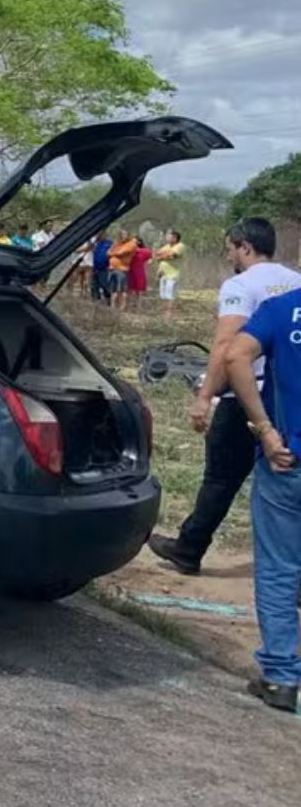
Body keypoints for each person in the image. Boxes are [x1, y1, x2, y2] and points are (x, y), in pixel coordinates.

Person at [150, 218, 301, 575]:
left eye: (230, 247)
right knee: (287, 476)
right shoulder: (295, 281)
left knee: (221, 476)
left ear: (244, 247)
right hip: (287, 393)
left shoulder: (240, 285)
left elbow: (226, 344)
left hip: (247, 393)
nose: (229, 254)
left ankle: (189, 548)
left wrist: (204, 396)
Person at [222, 286, 301, 712]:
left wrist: (264, 429)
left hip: (288, 460)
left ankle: (281, 678)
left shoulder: (282, 309)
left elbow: (235, 356)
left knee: (278, 568)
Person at [155, 229, 187, 316]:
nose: (167, 237)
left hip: (173, 274)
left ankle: (169, 313)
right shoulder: (166, 246)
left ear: (175, 237)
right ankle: (163, 312)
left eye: (169, 236)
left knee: (170, 294)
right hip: (163, 274)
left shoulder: (180, 246)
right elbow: (157, 255)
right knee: (163, 295)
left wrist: (163, 255)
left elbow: (172, 255)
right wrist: (163, 255)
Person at [106, 228, 137, 310]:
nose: (123, 236)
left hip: (122, 269)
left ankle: (122, 307)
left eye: (125, 234)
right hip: (112, 268)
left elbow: (121, 253)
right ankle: (113, 306)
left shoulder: (131, 244)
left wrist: (113, 253)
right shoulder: (116, 243)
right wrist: (113, 252)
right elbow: (108, 252)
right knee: (113, 289)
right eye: (121, 234)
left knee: (122, 289)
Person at [126, 235, 153, 310]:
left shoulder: (145, 251)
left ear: (139, 242)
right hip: (130, 271)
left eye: (134, 241)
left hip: (139, 271)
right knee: (130, 289)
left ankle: (139, 306)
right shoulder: (130, 250)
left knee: (139, 290)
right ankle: (130, 305)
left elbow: (150, 259)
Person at [91, 230, 114, 302]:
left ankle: (108, 300)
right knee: (94, 286)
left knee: (104, 285)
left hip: (104, 268)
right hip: (95, 268)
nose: (99, 235)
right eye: (98, 234)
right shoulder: (95, 243)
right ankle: (95, 300)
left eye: (101, 234)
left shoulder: (109, 243)